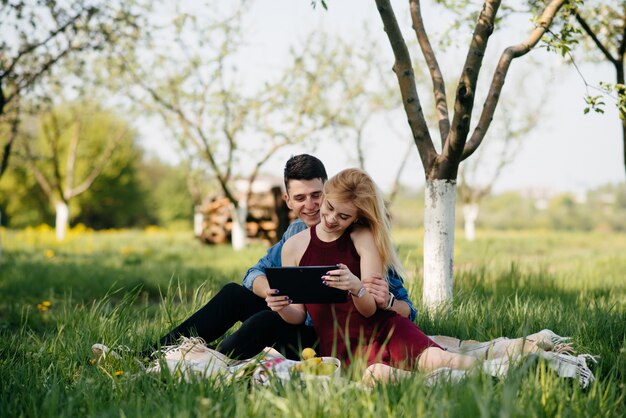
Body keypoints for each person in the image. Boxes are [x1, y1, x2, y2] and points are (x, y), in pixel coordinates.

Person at [151, 155, 417, 360]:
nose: (311, 205)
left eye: (317, 195)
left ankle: (211, 362)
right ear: (288, 201)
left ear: (330, 192)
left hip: (329, 333)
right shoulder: (296, 234)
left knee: (266, 321)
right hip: (295, 316)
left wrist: (380, 297)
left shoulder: (360, 236)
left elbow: (406, 309)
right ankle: (156, 354)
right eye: (300, 198)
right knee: (234, 294)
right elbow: (253, 274)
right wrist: (275, 294)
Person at [267, 168, 480, 381]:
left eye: (344, 216)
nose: (332, 219)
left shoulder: (362, 237)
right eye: (330, 207)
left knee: (438, 359)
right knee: (375, 374)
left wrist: (356, 287)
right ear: (325, 196)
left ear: (356, 217)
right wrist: (281, 306)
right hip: (342, 348)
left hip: (386, 330)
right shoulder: (293, 247)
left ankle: (497, 371)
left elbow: (369, 310)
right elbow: (298, 315)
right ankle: (445, 381)